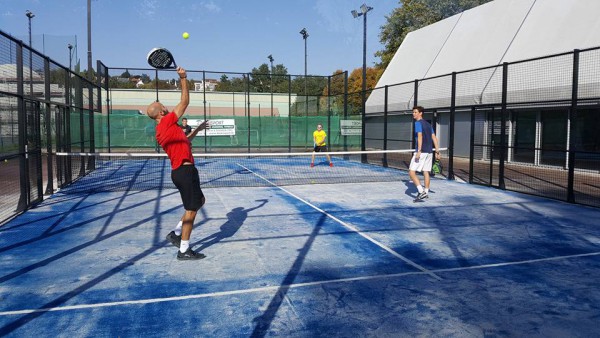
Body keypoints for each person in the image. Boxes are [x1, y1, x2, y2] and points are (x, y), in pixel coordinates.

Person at [146, 66, 209, 261]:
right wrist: (183, 78)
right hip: (184, 171)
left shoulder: (165, 130)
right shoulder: (166, 122)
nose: (165, 105)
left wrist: (197, 129)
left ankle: (175, 233)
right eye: (162, 104)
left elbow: (185, 141)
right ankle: (183, 250)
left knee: (199, 202)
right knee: (191, 210)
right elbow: (185, 101)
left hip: (181, 171)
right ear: (161, 112)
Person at [409, 106, 441, 202]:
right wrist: (437, 151)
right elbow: (434, 137)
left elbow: (420, 136)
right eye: (413, 112)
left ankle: (421, 191)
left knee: (411, 172)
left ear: (420, 113)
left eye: (415, 112)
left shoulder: (418, 123)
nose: (413, 114)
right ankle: (426, 193)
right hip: (429, 152)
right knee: (426, 172)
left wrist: (419, 151)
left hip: (422, 152)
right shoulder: (428, 124)